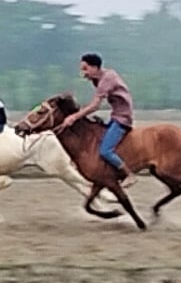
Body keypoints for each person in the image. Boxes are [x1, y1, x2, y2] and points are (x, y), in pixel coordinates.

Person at [58, 53, 138, 187]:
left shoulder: (106, 80)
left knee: (105, 150)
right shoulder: (99, 79)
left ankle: (128, 174)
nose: (83, 73)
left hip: (122, 118)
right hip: (115, 115)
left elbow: (95, 105)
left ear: (95, 67)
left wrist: (74, 117)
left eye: (85, 69)